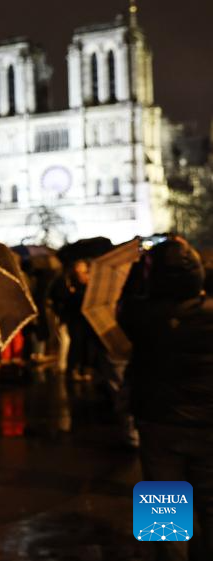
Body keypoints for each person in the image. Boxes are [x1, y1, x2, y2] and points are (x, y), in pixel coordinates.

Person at [120, 236, 213, 561]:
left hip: (159, 425)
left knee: (164, 517)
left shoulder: (142, 318)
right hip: (208, 426)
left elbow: (126, 303)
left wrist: (139, 273)